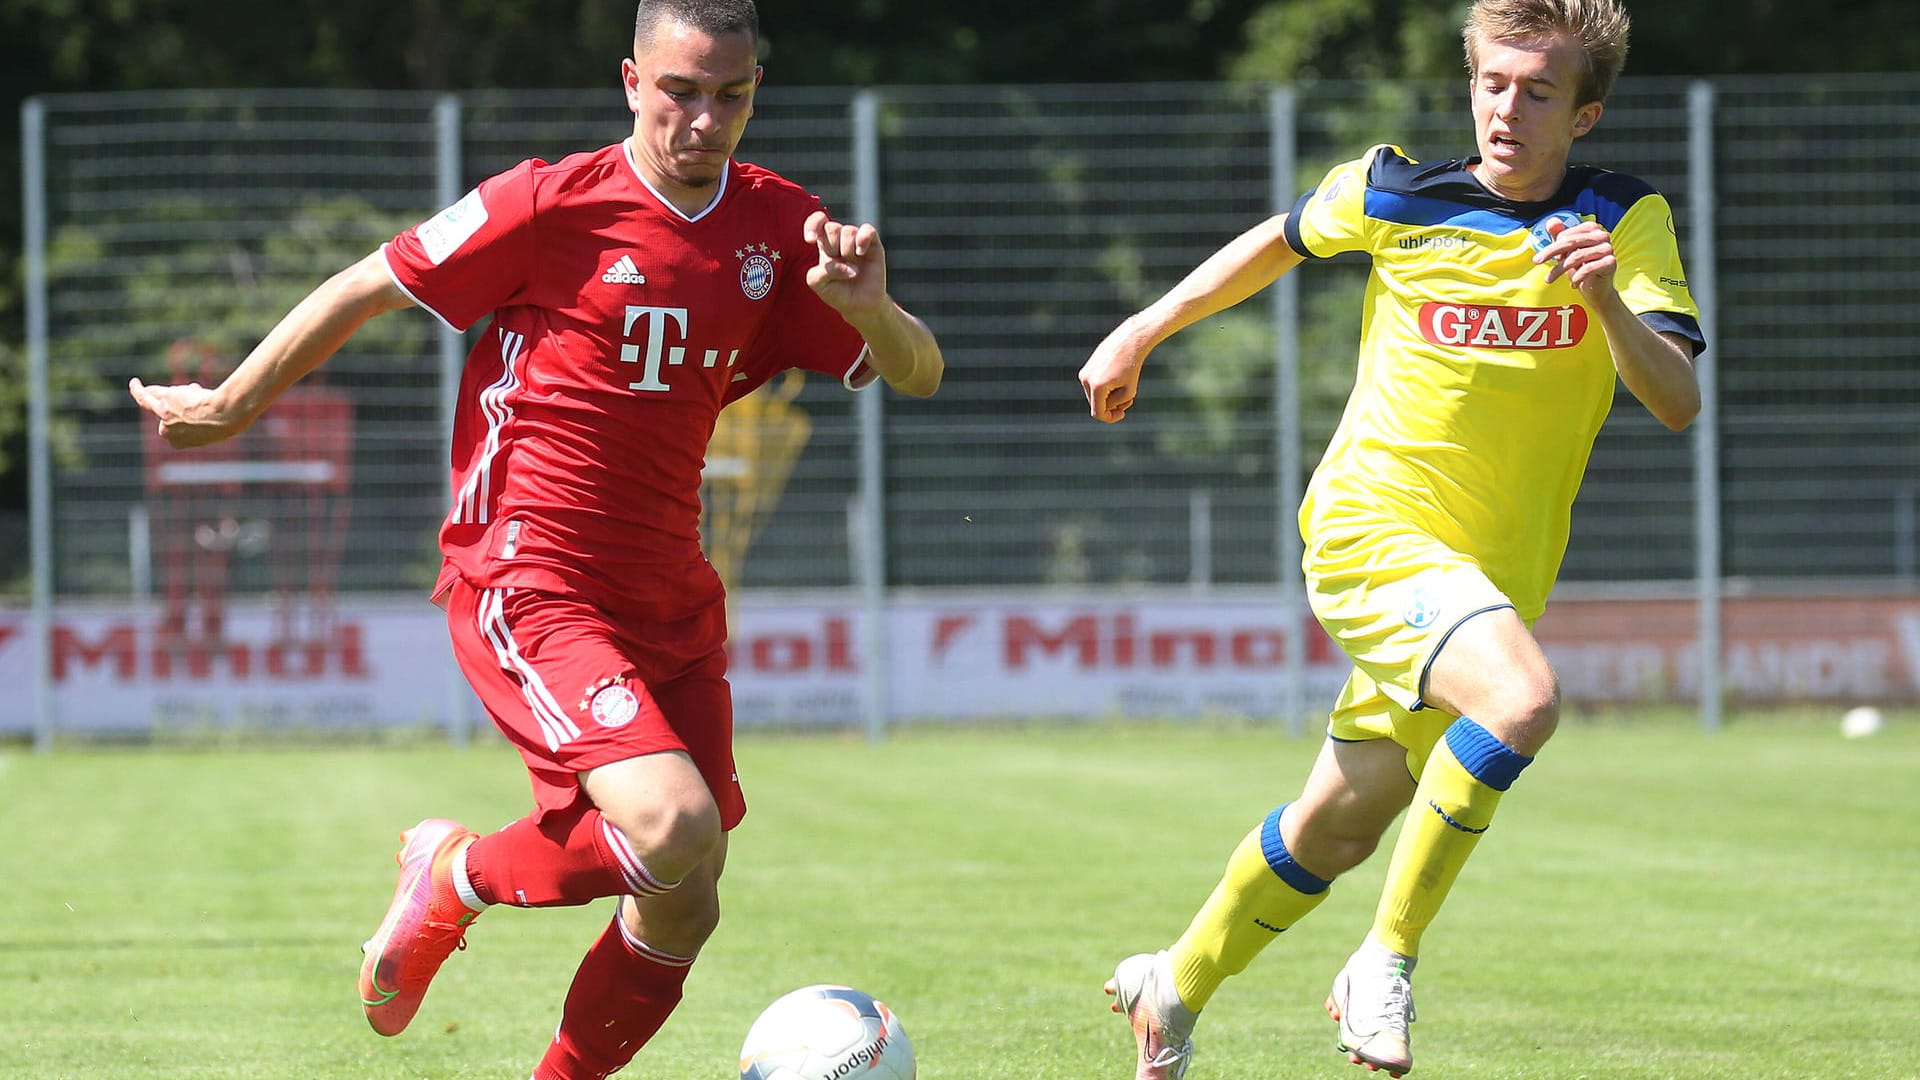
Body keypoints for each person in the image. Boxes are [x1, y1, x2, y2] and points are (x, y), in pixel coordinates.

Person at [129, 1, 943, 1076]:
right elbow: (370, 280)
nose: (705, 119)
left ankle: (455, 880)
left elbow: (920, 372)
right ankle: (458, 881)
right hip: (530, 570)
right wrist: (234, 403)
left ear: (756, 91)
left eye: (732, 95)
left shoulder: (778, 228)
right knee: (671, 825)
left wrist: (875, 311)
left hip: (669, 588)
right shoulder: (550, 202)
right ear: (631, 82)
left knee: (686, 896)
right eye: (680, 91)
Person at [1078, 0, 1701, 1076]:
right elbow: (1270, 247)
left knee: (1341, 824)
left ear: (1584, 113)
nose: (1508, 107)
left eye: (1539, 90)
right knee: (1522, 702)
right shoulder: (1397, 188)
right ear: (1472, 85)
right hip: (1372, 529)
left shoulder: (1625, 219)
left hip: (1489, 580)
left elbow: (1678, 399)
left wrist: (1605, 301)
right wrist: (1140, 330)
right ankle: (1385, 961)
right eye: (1493, 82)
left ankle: (1173, 983)